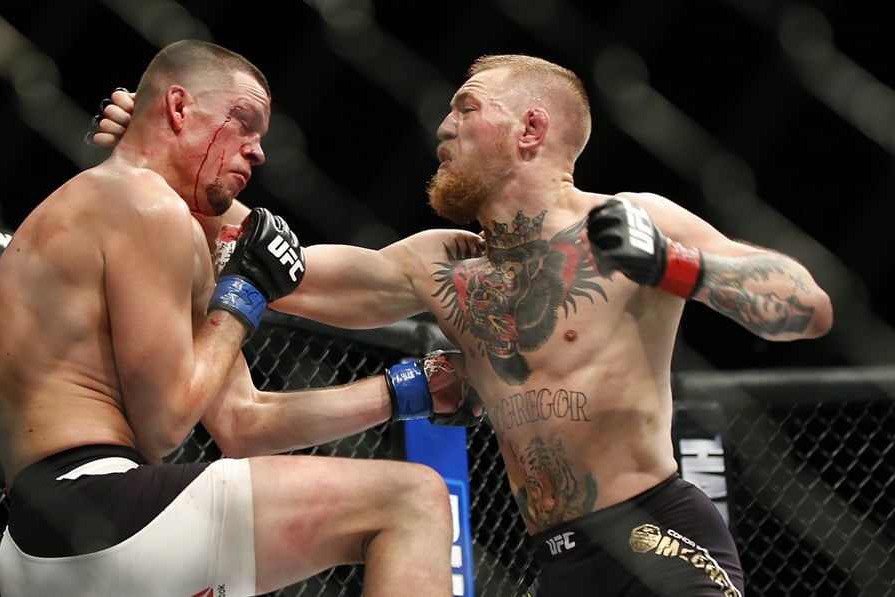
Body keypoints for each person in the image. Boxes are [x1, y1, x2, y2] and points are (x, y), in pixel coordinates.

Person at [94, 52, 833, 596]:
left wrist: (676, 264)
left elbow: (806, 305)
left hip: (657, 533)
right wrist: (167, 159)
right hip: (555, 562)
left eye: (467, 108)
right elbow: (275, 261)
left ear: (531, 128)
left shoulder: (629, 220)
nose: (444, 128)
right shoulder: (440, 265)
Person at [0, 39, 485, 597]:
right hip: (99, 502)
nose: (259, 152)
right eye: (244, 123)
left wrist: (413, 389)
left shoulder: (136, 217)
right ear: (178, 108)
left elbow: (246, 423)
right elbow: (164, 425)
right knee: (413, 500)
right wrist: (243, 296)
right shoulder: (144, 203)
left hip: (41, 546)